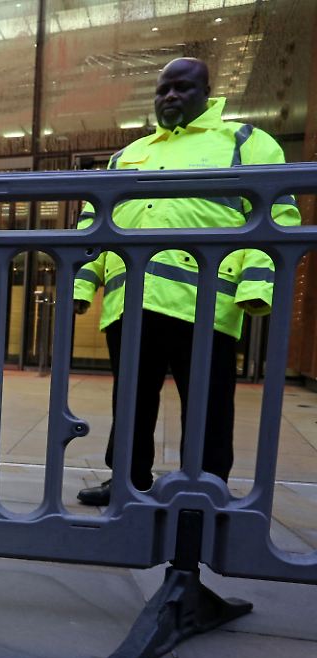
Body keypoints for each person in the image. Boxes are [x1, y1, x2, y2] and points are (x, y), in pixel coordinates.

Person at [73, 58, 301, 506]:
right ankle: (126, 481)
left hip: (205, 303)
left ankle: (206, 485)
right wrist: (83, 284)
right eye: (163, 90)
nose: (170, 96)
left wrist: (255, 287)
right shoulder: (128, 154)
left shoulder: (244, 141)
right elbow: (93, 223)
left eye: (182, 88)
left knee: (209, 404)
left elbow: (276, 215)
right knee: (132, 401)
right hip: (131, 300)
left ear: (208, 92)